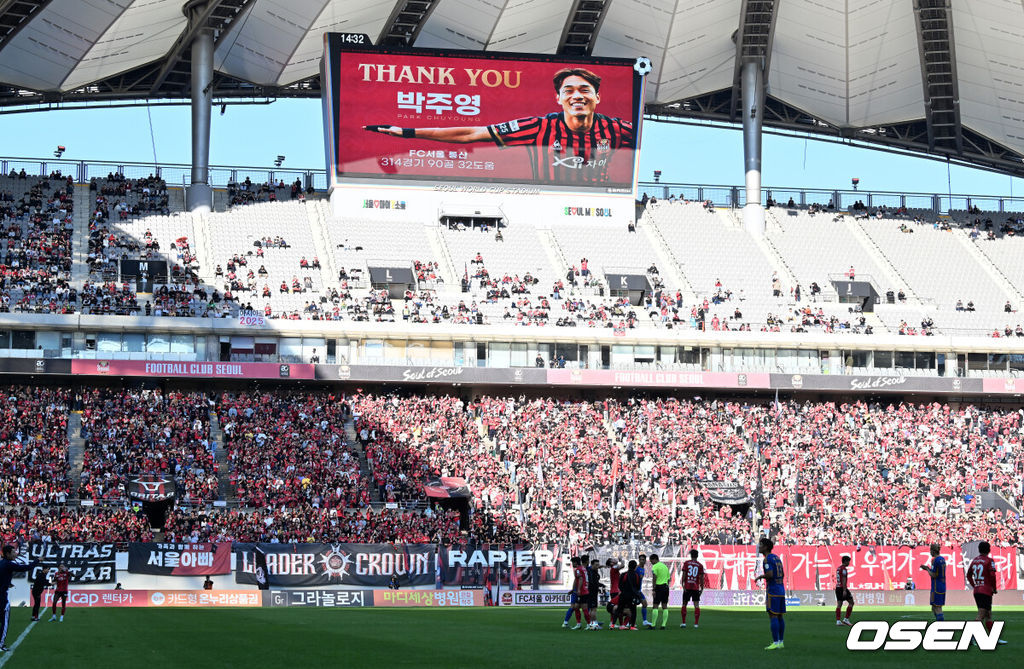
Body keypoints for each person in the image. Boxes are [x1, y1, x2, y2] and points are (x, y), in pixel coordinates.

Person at [364, 67, 634, 184]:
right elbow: (472, 133)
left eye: (585, 90)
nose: (577, 95)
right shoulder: (538, 127)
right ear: (558, 98)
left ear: (597, 97)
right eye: (569, 90)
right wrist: (408, 132)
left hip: (601, 200)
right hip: (547, 200)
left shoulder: (620, 130)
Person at [967, 541, 1007, 644]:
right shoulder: (989, 561)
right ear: (988, 550)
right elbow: (993, 576)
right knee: (981, 614)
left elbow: (968, 575)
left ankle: (994, 638)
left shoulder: (975, 560)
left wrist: (975, 585)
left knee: (988, 615)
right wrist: (993, 588)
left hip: (977, 590)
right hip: (986, 591)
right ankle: (971, 637)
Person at [1, 545, 39, 651]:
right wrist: (37, 561)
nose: (16, 553)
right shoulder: (8, 564)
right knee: (4, 621)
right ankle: (0, 644)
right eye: (13, 552)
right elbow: (25, 568)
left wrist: (7, 583)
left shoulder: (2, 564)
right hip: (2, 598)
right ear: (7, 554)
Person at [754, 537, 786, 650]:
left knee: (773, 615)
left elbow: (770, 574)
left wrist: (760, 576)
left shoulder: (767, 559)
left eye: (761, 545)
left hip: (773, 590)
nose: (759, 547)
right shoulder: (777, 558)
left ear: (766, 547)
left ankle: (775, 642)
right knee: (780, 616)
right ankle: (781, 642)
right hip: (781, 589)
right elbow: (783, 574)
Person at [919, 543, 945, 621]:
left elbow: (933, 575)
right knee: (935, 607)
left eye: (930, 550)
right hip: (942, 585)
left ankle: (941, 626)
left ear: (933, 551)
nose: (930, 552)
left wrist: (927, 568)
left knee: (937, 608)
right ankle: (939, 623)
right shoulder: (942, 559)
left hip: (936, 586)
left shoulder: (935, 560)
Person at [680, 549, 705, 628]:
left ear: (691, 555)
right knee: (696, 605)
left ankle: (684, 623)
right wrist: (702, 588)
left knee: (684, 604)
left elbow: (684, 575)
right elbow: (701, 578)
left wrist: (683, 584)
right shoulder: (700, 565)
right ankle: (696, 624)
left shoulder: (686, 563)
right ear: (697, 556)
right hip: (695, 587)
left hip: (687, 586)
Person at [649, 554, 670, 630]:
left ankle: (653, 625)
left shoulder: (655, 566)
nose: (651, 562)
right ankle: (663, 625)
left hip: (659, 587)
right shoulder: (665, 567)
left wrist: (654, 589)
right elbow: (668, 579)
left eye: (651, 561)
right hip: (666, 587)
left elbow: (654, 577)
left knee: (655, 606)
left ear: (654, 559)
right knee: (664, 606)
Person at [834, 555, 854, 626]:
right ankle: (846, 619)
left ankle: (838, 621)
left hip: (838, 587)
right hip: (842, 588)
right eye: (848, 561)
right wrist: (845, 590)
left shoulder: (838, 568)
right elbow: (844, 579)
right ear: (845, 561)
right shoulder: (844, 569)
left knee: (839, 604)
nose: (849, 563)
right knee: (851, 602)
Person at [635, 554, 652, 627]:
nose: (642, 561)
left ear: (645, 561)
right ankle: (630, 622)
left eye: (643, 560)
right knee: (632, 606)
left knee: (645, 604)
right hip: (634, 590)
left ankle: (645, 621)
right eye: (640, 559)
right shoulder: (636, 568)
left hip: (638, 590)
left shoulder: (643, 569)